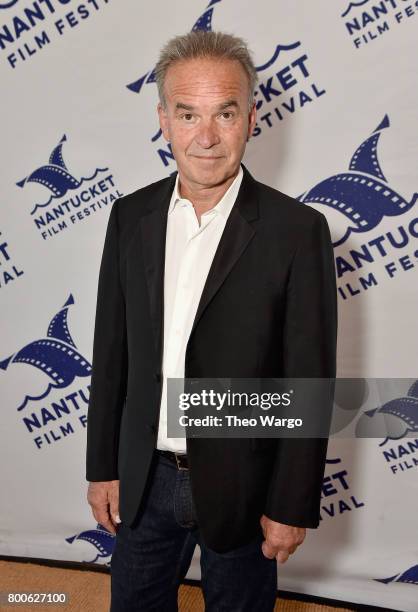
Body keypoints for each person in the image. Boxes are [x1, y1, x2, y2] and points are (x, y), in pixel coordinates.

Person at [86, 30, 337, 612]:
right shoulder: (130, 217)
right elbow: (112, 353)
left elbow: (310, 380)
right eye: (187, 114)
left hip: (246, 487)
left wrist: (292, 503)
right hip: (144, 480)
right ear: (163, 120)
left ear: (250, 118)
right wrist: (103, 467)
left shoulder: (297, 232)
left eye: (224, 113)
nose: (205, 137)